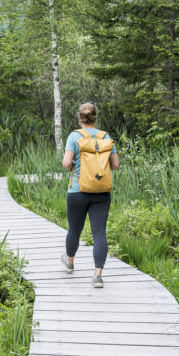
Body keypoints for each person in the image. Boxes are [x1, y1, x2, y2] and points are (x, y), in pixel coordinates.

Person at [61, 101, 119, 288]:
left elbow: (66, 163)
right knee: (99, 232)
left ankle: (69, 262)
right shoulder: (105, 136)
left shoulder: (74, 136)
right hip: (101, 191)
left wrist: (75, 165)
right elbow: (116, 164)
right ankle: (97, 276)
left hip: (78, 191)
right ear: (95, 117)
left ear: (80, 118)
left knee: (74, 230)